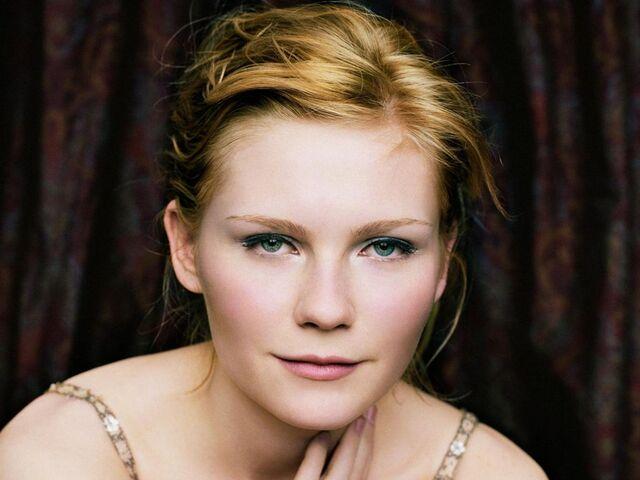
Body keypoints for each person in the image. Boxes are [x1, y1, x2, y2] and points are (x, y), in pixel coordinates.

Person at [0, 2, 549, 479]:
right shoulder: (60, 455)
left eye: (385, 247)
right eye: (271, 243)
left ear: (443, 263)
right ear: (186, 246)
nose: (326, 310)